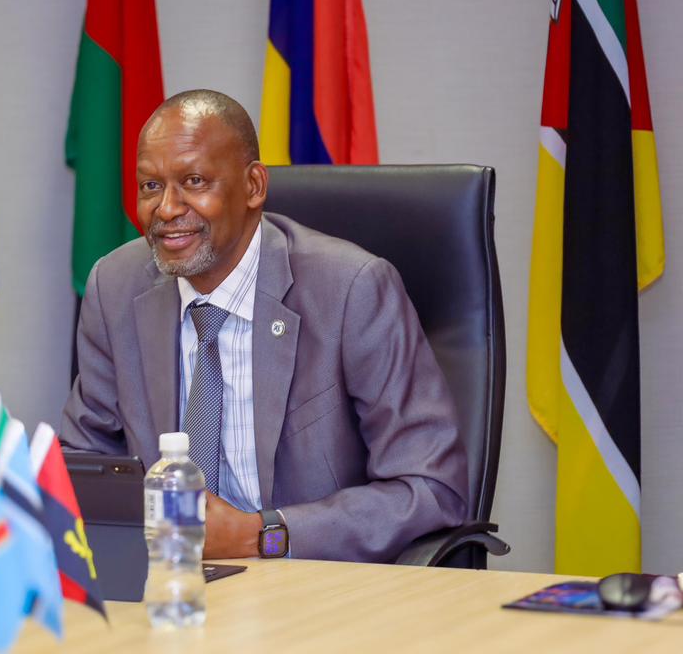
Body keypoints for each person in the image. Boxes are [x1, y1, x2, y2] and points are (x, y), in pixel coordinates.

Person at [61, 90, 467, 562]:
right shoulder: (115, 287)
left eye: (194, 181)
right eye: (151, 186)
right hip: (170, 580)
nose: (167, 208)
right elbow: (83, 467)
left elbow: (431, 488)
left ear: (254, 186)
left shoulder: (351, 290)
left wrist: (260, 535)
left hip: (316, 584)